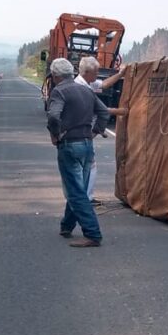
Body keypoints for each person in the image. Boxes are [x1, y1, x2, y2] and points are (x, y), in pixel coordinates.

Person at [46, 57, 110, 247]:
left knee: (75, 192)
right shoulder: (85, 90)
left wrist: (55, 134)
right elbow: (104, 112)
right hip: (87, 145)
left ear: (56, 76)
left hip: (69, 145)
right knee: (79, 188)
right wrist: (96, 131)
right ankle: (66, 226)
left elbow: (53, 115)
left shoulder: (59, 91)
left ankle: (93, 233)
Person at [74, 56, 127, 203]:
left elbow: (104, 85)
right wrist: (121, 111)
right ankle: (85, 198)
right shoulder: (82, 88)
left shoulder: (86, 83)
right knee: (88, 166)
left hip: (84, 131)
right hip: (82, 132)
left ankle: (84, 197)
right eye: (96, 72)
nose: (97, 75)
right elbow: (99, 110)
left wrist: (120, 74)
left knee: (86, 165)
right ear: (87, 72)